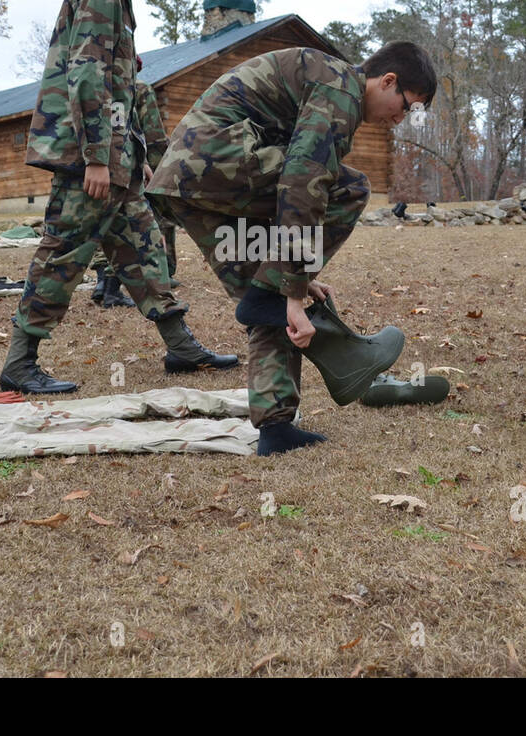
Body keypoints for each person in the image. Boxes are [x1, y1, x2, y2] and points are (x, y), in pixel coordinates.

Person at [147, 42, 437, 455]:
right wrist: (297, 285)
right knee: (351, 188)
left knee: (266, 297)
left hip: (194, 180)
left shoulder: (333, 90)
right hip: (213, 163)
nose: (402, 118)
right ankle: (307, 320)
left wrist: (290, 284)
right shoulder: (340, 88)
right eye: (408, 104)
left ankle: (276, 429)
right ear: (388, 81)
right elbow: (304, 181)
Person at [0, 0, 239, 395]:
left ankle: (180, 345)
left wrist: (136, 156)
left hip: (117, 162)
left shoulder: (120, 3)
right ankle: (19, 363)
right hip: (88, 160)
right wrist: (96, 158)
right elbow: (87, 77)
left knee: (145, 248)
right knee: (64, 252)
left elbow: (122, 92)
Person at [90, 66, 179, 308]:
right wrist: (159, 164)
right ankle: (159, 278)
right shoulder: (138, 89)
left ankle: (103, 283)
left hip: (95, 166)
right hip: (131, 166)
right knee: (144, 222)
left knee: (107, 223)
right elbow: (153, 134)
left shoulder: (93, 88)